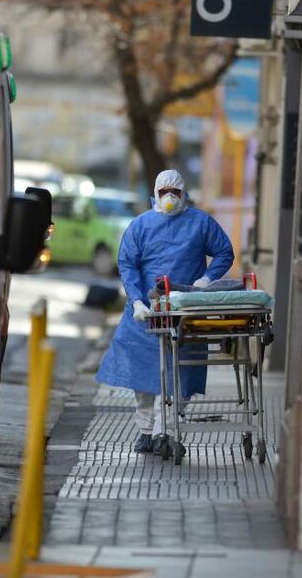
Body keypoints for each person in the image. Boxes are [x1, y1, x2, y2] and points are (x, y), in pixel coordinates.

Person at [96, 169, 234, 454]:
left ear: (184, 194)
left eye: (176, 192)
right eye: (163, 192)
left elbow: (224, 252)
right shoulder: (140, 226)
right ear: (155, 194)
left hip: (186, 311)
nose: (170, 197)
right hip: (146, 311)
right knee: (144, 375)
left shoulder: (200, 223)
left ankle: (166, 429)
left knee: (182, 373)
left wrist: (206, 280)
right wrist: (136, 300)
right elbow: (127, 264)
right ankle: (147, 429)